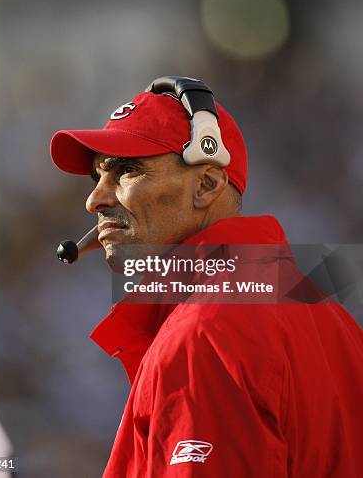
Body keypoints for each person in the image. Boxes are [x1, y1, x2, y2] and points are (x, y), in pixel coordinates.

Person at [50, 77, 363, 477]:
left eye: (126, 170)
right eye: (97, 177)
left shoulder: (205, 331)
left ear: (207, 184)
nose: (95, 198)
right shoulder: (323, 309)